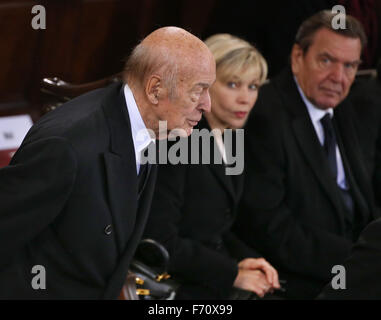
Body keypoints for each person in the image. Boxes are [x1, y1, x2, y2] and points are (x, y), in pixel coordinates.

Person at [0, 26, 216, 299]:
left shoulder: (152, 128)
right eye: (199, 91)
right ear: (155, 89)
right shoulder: (67, 146)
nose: (207, 105)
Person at [233, 11, 380, 299]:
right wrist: (360, 260)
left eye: (350, 66)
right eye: (326, 61)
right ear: (297, 57)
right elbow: (270, 227)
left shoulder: (356, 108)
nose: (338, 77)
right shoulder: (264, 115)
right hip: (300, 280)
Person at [142, 33, 280, 300]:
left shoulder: (232, 136)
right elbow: (158, 241)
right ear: (201, 87)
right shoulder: (174, 140)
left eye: (253, 86)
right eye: (232, 84)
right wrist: (232, 273)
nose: (245, 98)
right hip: (174, 285)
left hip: (207, 276)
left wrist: (247, 260)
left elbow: (218, 230)